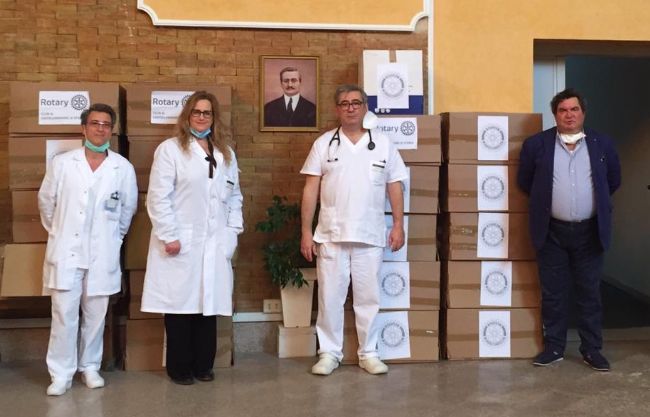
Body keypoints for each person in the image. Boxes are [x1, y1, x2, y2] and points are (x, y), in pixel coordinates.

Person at [300, 84, 407, 376]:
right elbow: (310, 189)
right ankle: (329, 353)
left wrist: (398, 224)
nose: (350, 108)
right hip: (331, 235)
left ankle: (369, 353)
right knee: (329, 299)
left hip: (370, 235)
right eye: (345, 103)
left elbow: (394, 185)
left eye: (356, 103)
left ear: (365, 107)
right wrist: (306, 232)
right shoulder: (324, 144)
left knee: (368, 299)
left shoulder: (383, 144)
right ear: (337, 109)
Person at [141, 91, 243, 385]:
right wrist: (169, 235)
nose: (201, 117)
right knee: (180, 308)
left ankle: (203, 365)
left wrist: (232, 232)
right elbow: (158, 197)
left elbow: (235, 196)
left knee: (207, 306)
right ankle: (179, 368)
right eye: (196, 112)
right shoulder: (171, 150)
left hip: (215, 242)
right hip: (180, 242)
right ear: (187, 116)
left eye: (206, 112)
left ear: (214, 117)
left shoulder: (225, 153)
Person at [518, 88, 621, 371]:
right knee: (553, 293)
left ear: (583, 113)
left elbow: (613, 180)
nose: (569, 115)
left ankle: (592, 349)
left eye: (574, 109)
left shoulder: (602, 144)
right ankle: (554, 347)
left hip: (590, 232)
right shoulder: (536, 145)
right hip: (551, 232)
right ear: (555, 114)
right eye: (563, 110)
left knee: (589, 293)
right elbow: (525, 181)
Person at [38, 103, 138, 396]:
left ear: (111, 130)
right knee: (63, 314)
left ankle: (90, 367)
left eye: (106, 124)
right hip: (67, 251)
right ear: (84, 128)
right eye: (95, 123)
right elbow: (46, 203)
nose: (100, 129)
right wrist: (60, 232)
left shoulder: (122, 168)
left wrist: (112, 239)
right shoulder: (63, 163)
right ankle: (61, 373)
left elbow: (127, 210)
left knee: (95, 315)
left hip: (102, 252)